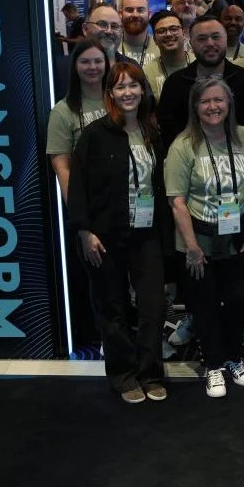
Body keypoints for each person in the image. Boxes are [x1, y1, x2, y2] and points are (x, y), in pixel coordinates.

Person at [66, 61, 168, 403]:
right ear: (111, 94)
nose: (128, 93)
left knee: (153, 305)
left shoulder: (153, 131)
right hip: (104, 235)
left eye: (133, 86)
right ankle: (124, 375)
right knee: (112, 306)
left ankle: (151, 372)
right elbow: (77, 187)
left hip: (147, 233)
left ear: (143, 90)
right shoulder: (95, 135)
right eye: (120, 87)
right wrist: (84, 231)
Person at [165, 78, 244, 398]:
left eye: (219, 100)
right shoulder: (183, 145)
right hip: (198, 241)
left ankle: (233, 357)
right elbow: (177, 201)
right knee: (204, 305)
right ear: (195, 106)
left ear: (229, 103)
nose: (213, 107)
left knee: (238, 300)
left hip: (237, 237)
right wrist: (191, 247)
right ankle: (214, 365)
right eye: (206, 101)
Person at [46, 37, 109, 348]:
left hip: (125, 206)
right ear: (75, 67)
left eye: (98, 61)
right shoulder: (63, 111)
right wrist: (81, 219)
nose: (93, 67)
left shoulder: (117, 99)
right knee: (95, 280)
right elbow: (62, 168)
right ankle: (98, 340)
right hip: (89, 210)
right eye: (85, 62)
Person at [157, 16, 244, 152]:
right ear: (191, 43)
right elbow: (169, 132)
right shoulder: (175, 84)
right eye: (202, 39)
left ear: (225, 39)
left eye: (216, 37)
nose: (210, 43)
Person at [143, 11, 190, 101]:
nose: (168, 34)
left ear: (183, 34)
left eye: (173, 29)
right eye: (161, 31)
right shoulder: (146, 73)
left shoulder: (199, 63)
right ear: (155, 39)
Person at [119, 0, 159, 67]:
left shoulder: (161, 46)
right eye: (129, 10)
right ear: (120, 14)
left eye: (140, 10)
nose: (135, 15)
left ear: (149, 14)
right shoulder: (112, 47)